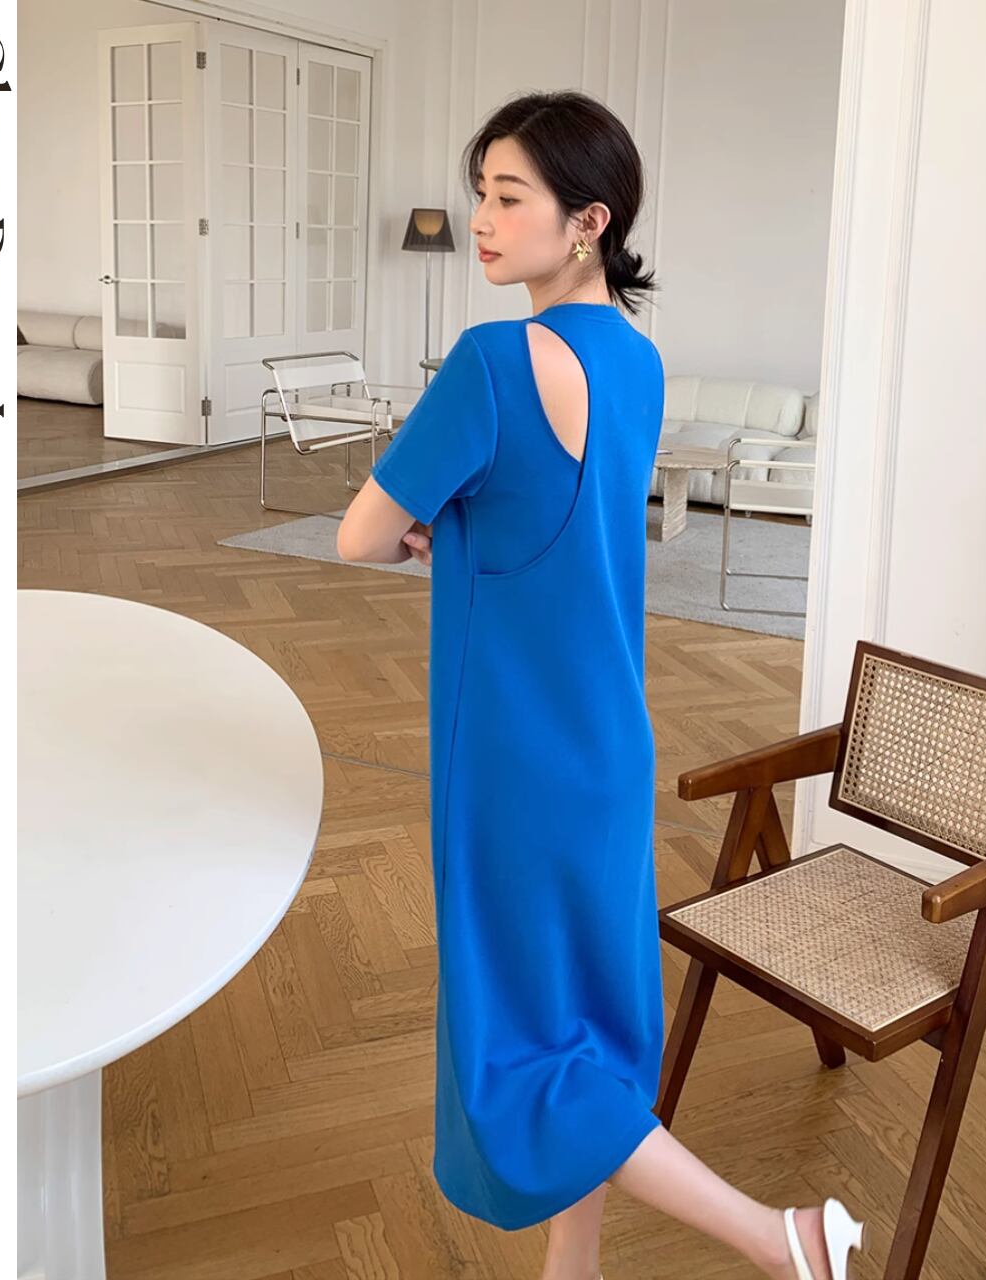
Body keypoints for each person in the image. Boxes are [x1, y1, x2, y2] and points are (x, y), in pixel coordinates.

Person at [336, 90, 867, 1280]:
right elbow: (556, 517)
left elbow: (357, 535)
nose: (481, 220)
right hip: (606, 744)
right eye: (479, 193)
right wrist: (458, 519)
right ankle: (570, 1265)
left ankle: (778, 1236)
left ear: (587, 220)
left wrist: (427, 523)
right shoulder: (637, 360)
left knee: (522, 1047)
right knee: (585, 1020)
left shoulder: (489, 362)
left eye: (506, 196)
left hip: (511, 756)